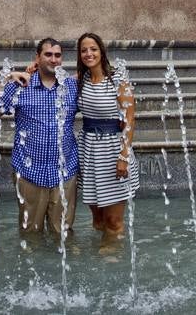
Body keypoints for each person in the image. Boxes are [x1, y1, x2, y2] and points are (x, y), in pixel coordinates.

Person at [0, 37, 79, 234]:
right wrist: (9, 79)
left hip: (64, 172)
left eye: (57, 55)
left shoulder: (72, 86)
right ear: (37, 58)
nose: (53, 59)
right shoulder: (22, 85)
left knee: (63, 233)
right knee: (30, 233)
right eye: (48, 54)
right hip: (29, 173)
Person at [77, 32, 139, 241]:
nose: (88, 54)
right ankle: (103, 247)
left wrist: (124, 156)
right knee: (97, 218)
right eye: (84, 50)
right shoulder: (80, 80)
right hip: (88, 151)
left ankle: (112, 255)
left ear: (101, 51)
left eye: (93, 49)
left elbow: (129, 119)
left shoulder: (118, 80)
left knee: (113, 219)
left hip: (113, 151)